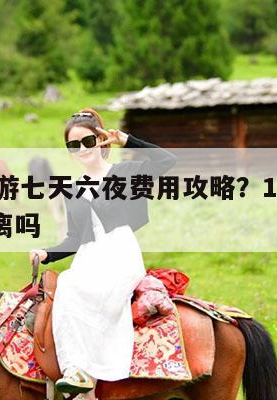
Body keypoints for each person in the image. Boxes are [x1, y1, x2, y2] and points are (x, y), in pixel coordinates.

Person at [29, 108, 175, 399]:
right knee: (67, 285)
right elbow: (74, 239)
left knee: (88, 291)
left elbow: (167, 161)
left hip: (120, 253)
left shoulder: (125, 174)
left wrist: (126, 140)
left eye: (87, 141)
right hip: (89, 257)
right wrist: (46, 253)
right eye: (74, 145)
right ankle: (76, 372)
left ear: (100, 140)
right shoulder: (71, 190)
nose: (82, 149)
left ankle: (96, 368)